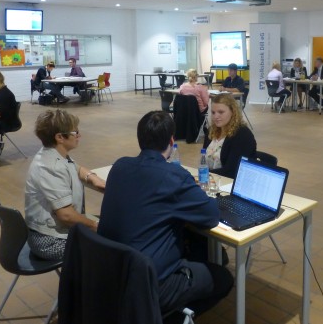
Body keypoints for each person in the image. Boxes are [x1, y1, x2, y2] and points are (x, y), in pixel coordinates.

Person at [98, 111, 233, 319]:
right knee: (223, 278)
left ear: (139, 138)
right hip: (152, 284)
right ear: (171, 140)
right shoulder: (174, 176)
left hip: (113, 271)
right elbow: (211, 216)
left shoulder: (120, 166)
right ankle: (167, 316)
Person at [25, 109, 106, 260]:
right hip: (48, 240)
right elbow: (66, 216)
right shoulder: (50, 167)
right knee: (113, 244)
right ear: (60, 137)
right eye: (75, 132)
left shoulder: (54, 154)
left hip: (55, 231)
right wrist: (96, 226)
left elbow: (76, 168)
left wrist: (92, 177)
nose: (79, 135)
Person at [203, 94, 256, 179]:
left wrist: (205, 174)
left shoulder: (242, 135)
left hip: (231, 182)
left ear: (232, 112)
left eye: (221, 112)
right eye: (213, 112)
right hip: (212, 179)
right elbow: (203, 160)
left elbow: (231, 171)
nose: (216, 116)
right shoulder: (211, 131)